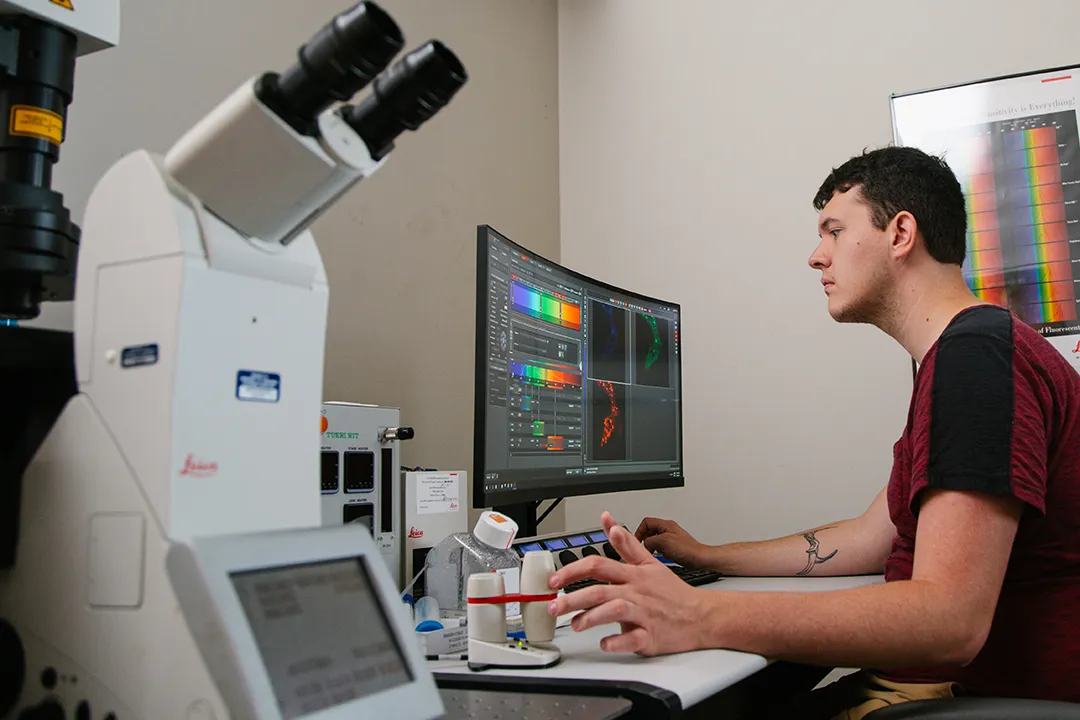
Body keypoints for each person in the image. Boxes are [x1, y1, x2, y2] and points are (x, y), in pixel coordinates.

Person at [545, 146, 1080, 718]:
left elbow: (950, 619)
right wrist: (708, 556)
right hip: (946, 688)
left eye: (833, 229)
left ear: (901, 233)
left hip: (976, 696)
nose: (814, 257)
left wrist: (700, 614)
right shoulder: (964, 356)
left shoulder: (978, 359)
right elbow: (871, 537)